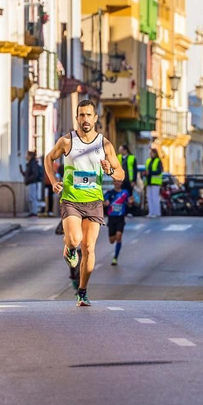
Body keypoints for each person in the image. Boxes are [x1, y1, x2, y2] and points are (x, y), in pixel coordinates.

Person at [43, 99, 125, 306]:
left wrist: (110, 170)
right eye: (81, 115)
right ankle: (69, 248)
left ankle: (82, 291)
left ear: (95, 118)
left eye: (89, 115)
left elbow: (121, 174)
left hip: (94, 201)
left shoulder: (104, 144)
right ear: (77, 118)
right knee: (75, 239)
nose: (85, 119)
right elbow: (48, 158)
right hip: (71, 199)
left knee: (89, 248)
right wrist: (53, 181)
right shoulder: (67, 142)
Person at [104, 181, 132, 266]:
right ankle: (116, 239)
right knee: (112, 240)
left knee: (119, 237)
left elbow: (129, 204)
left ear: (121, 183)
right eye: (116, 182)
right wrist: (106, 203)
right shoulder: (109, 193)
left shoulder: (125, 193)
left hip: (120, 218)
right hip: (111, 218)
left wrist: (130, 203)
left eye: (119, 182)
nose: (117, 183)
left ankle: (115, 257)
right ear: (113, 183)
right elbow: (102, 202)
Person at [144, 146, 164, 218]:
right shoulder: (148, 161)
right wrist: (145, 173)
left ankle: (156, 212)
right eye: (150, 153)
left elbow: (159, 171)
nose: (150, 154)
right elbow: (146, 169)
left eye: (151, 153)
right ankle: (151, 212)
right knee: (149, 197)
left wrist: (150, 172)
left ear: (155, 153)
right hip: (148, 181)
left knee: (155, 197)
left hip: (155, 182)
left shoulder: (158, 161)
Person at [22, 150, 44, 216]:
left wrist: (28, 179)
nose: (26, 156)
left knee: (32, 198)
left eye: (27, 155)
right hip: (29, 183)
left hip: (32, 183)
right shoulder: (30, 163)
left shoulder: (33, 163)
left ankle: (34, 212)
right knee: (29, 198)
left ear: (30, 156)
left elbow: (35, 174)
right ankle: (31, 212)